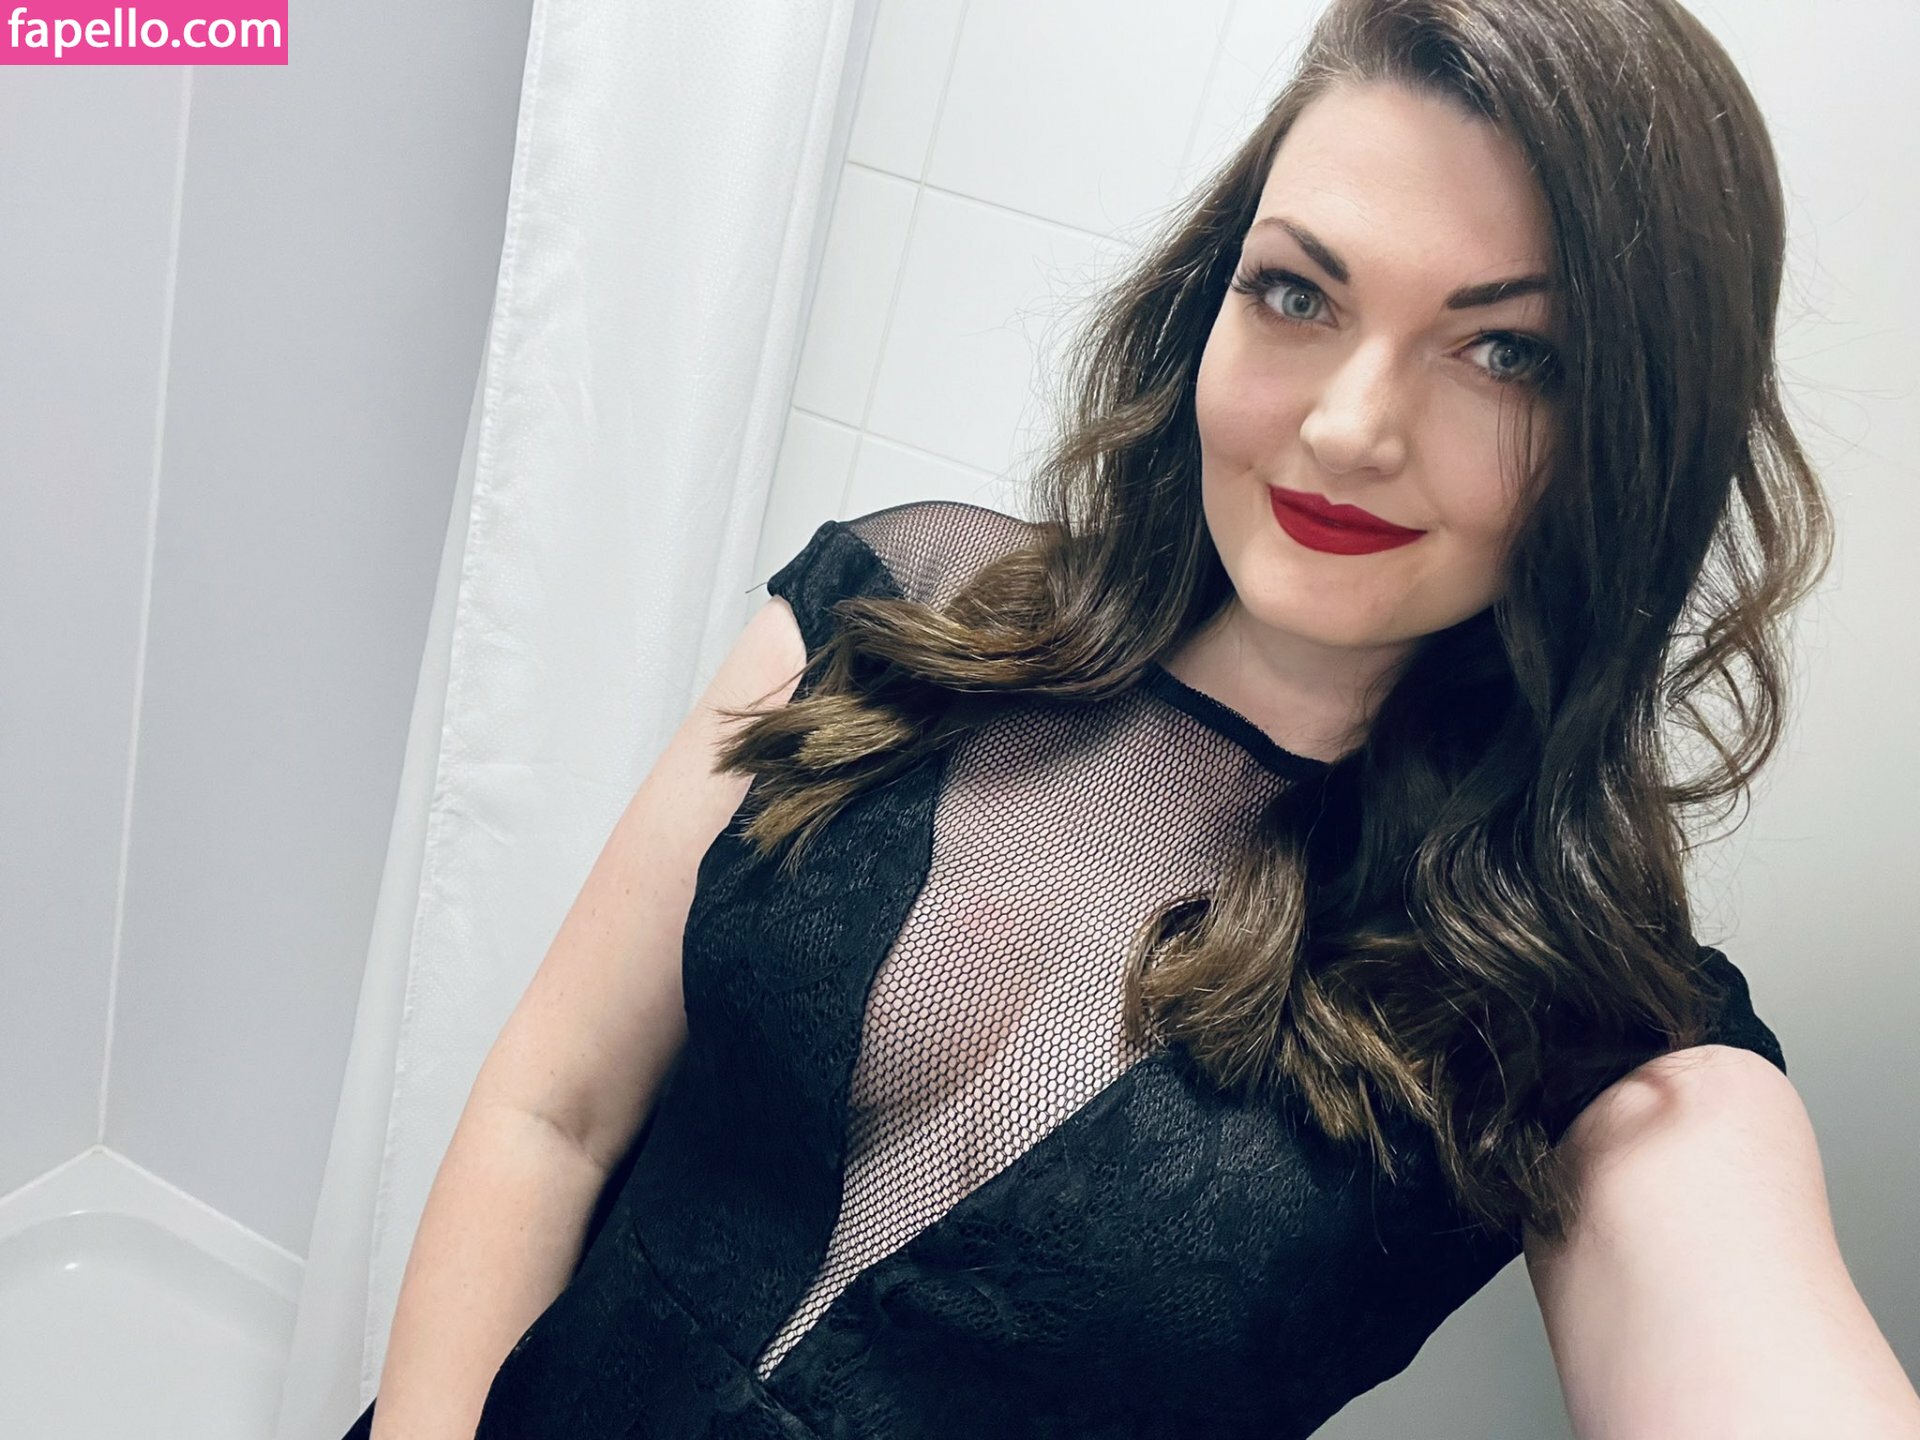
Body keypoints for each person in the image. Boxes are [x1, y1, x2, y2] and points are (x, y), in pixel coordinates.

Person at [347, 0, 1920, 1436]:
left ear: (1633, 430)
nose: (1349, 426)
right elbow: (554, 1116)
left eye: (1506, 351)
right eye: (1298, 293)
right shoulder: (892, 611)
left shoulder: (1575, 1027)